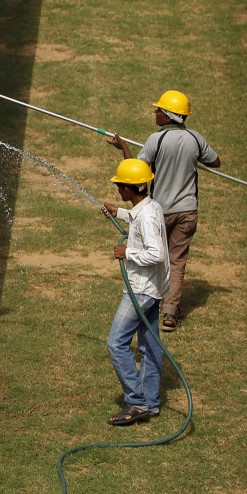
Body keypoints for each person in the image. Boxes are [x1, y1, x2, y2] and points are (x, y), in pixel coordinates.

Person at [107, 90, 220, 331]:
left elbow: (136, 170)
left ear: (169, 116)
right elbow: (215, 161)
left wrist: (123, 147)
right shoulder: (195, 139)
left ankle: (151, 302)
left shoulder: (156, 140)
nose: (155, 113)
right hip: (188, 211)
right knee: (176, 261)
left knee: (156, 256)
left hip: (160, 211)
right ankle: (169, 313)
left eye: (159, 110)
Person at [102, 158, 170, 425]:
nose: (118, 188)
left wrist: (126, 252)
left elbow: (156, 253)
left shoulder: (147, 217)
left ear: (129, 189)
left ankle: (137, 401)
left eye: (120, 185)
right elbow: (137, 217)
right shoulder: (150, 207)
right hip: (153, 290)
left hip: (140, 292)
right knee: (149, 346)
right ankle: (151, 403)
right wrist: (117, 212)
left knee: (116, 343)